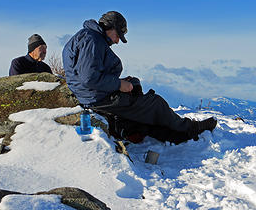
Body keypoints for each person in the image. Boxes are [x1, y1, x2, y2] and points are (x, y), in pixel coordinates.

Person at [62, 11, 217, 143]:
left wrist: (122, 83)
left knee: (134, 85)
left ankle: (148, 123)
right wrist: (119, 85)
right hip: (95, 98)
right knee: (155, 103)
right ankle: (190, 129)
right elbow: (89, 78)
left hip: (92, 94)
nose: (117, 41)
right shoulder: (92, 40)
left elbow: (89, 74)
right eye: (117, 35)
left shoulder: (90, 37)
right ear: (109, 27)